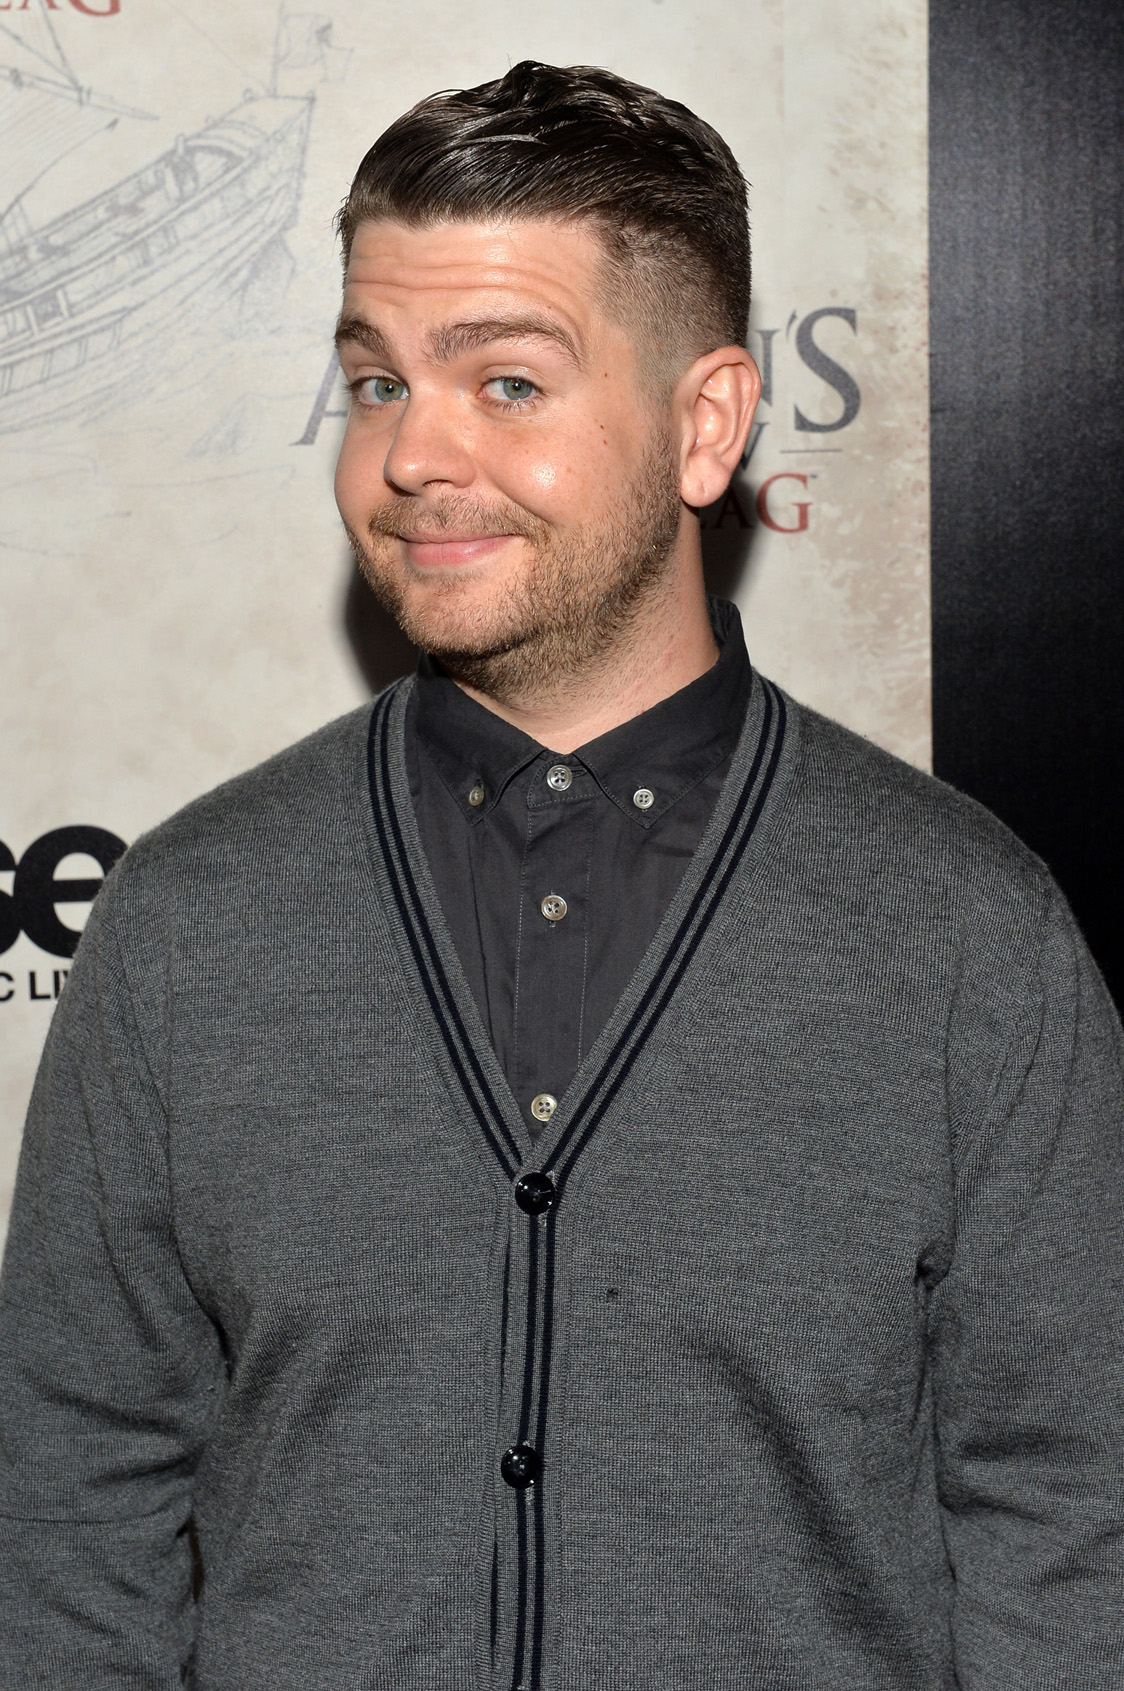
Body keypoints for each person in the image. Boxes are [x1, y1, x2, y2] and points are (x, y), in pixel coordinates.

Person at [1, 59, 1121, 1691]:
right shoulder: (189, 920)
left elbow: (1074, 1527)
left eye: (507, 382)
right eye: (376, 381)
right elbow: (66, 1518)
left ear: (705, 423)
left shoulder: (967, 935)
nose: (411, 455)